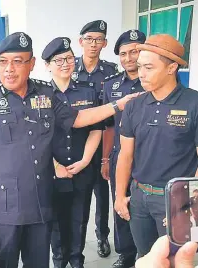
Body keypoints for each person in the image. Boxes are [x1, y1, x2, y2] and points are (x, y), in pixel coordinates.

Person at [0, 32, 137, 268]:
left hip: (40, 200)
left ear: (32, 64)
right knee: (5, 262)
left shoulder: (45, 94)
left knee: (39, 262)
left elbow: (78, 118)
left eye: (17, 61)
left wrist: (118, 104)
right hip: (4, 204)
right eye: (3, 62)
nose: (9, 69)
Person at [114, 34, 198, 257]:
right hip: (140, 197)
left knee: (178, 258)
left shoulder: (193, 103)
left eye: (149, 67)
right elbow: (125, 154)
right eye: (140, 66)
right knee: (145, 256)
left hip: (178, 199)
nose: (141, 73)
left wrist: (189, 203)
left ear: (171, 68)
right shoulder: (135, 105)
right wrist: (120, 195)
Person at [42, 37, 102, 268]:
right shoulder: (41, 95)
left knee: (79, 221)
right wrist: (55, 165)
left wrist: (86, 160)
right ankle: (59, 262)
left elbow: (96, 129)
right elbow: (38, 135)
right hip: (53, 171)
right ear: (47, 65)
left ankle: (77, 262)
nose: (66, 63)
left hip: (82, 169)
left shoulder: (88, 91)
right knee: (56, 223)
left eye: (69, 58)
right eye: (59, 60)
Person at [73, 20, 118, 257]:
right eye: (89, 39)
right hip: (77, 142)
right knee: (79, 199)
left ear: (105, 43)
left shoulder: (111, 72)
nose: (93, 44)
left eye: (98, 39)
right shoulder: (70, 68)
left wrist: (106, 155)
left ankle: (102, 237)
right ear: (81, 41)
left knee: (102, 194)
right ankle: (76, 244)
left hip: (104, 142)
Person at [101, 29, 146, 267]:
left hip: (148, 156)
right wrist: (106, 159)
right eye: (123, 53)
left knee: (144, 206)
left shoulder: (153, 81)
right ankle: (126, 253)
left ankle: (145, 252)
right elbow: (108, 127)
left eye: (135, 52)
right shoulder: (111, 85)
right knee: (120, 202)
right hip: (120, 156)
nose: (129, 58)